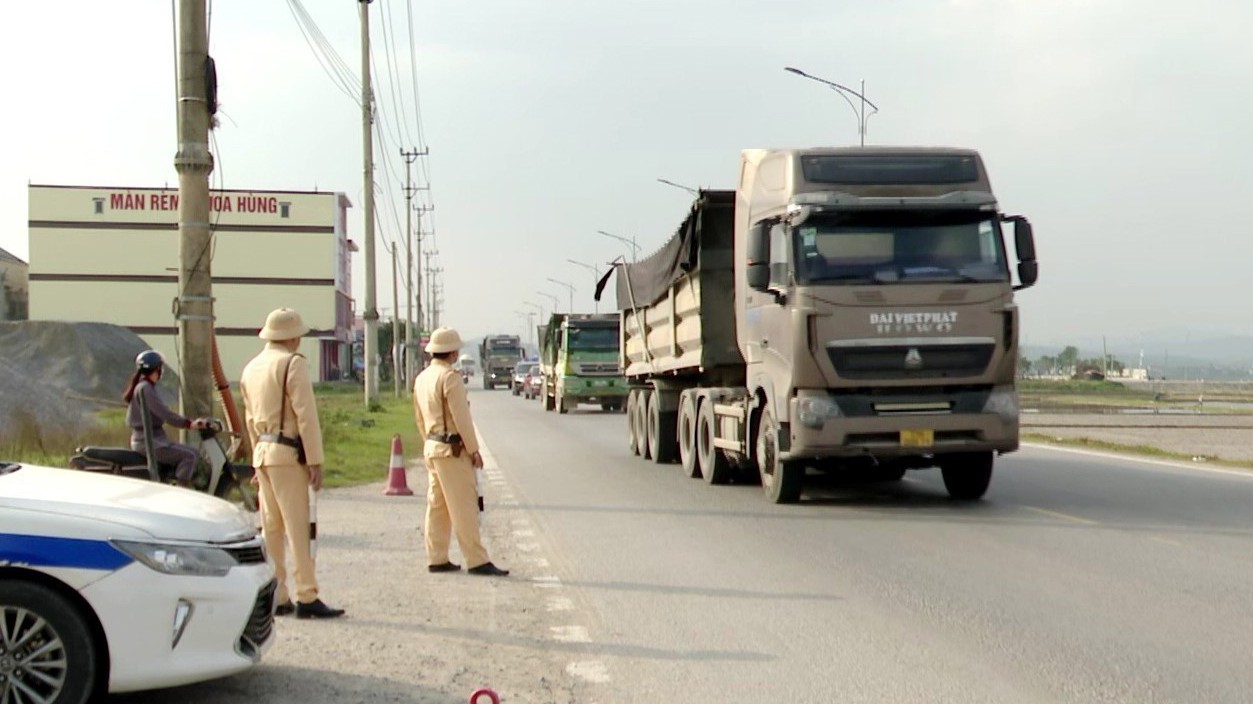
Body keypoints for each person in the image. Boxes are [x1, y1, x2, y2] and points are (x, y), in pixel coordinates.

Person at [240, 308, 345, 619]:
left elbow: (248, 420)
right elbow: (306, 416)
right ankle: (307, 594)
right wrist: (315, 460)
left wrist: (254, 461)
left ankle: (278, 593)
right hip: (287, 454)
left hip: (263, 452)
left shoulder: (251, 368)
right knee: (298, 527)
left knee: (271, 529)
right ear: (292, 336)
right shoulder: (292, 364)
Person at [413, 327, 508, 577]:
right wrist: (474, 450)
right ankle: (476, 559)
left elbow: (419, 419)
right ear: (452, 353)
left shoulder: (422, 378)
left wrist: (428, 443)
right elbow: (462, 418)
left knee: (438, 505)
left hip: (433, 447)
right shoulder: (450, 378)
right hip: (452, 450)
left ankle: (437, 556)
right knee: (464, 506)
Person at [123, 350, 209, 488]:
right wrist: (189, 424)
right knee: (189, 456)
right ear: (157, 369)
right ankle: (182, 491)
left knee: (193, 452)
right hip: (148, 441)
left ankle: (175, 483)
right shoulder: (145, 388)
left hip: (154, 438)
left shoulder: (144, 386)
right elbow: (165, 413)